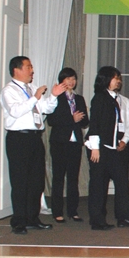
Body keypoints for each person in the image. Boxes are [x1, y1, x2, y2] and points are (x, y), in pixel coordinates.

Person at [0, 56, 67, 234]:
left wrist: (53, 96)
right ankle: (19, 221)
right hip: (18, 139)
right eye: (28, 67)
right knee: (20, 181)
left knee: (36, 181)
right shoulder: (9, 90)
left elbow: (46, 109)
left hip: (35, 138)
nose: (32, 70)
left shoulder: (31, 88)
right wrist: (35, 97)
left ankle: (32, 218)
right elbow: (15, 111)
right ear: (17, 70)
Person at [85, 66, 129, 230]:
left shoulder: (123, 101)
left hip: (117, 149)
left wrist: (124, 140)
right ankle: (97, 220)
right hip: (101, 148)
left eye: (119, 78)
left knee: (122, 183)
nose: (118, 81)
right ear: (106, 79)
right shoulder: (99, 99)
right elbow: (94, 124)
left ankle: (124, 217)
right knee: (98, 185)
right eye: (115, 78)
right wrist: (95, 148)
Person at [47, 67, 89, 224]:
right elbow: (52, 120)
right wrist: (71, 119)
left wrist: (81, 118)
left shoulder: (79, 99)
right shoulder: (56, 98)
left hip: (75, 143)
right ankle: (57, 212)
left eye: (73, 78)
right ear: (61, 81)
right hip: (59, 142)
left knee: (73, 178)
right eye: (68, 79)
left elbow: (85, 122)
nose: (71, 81)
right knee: (58, 177)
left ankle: (73, 211)